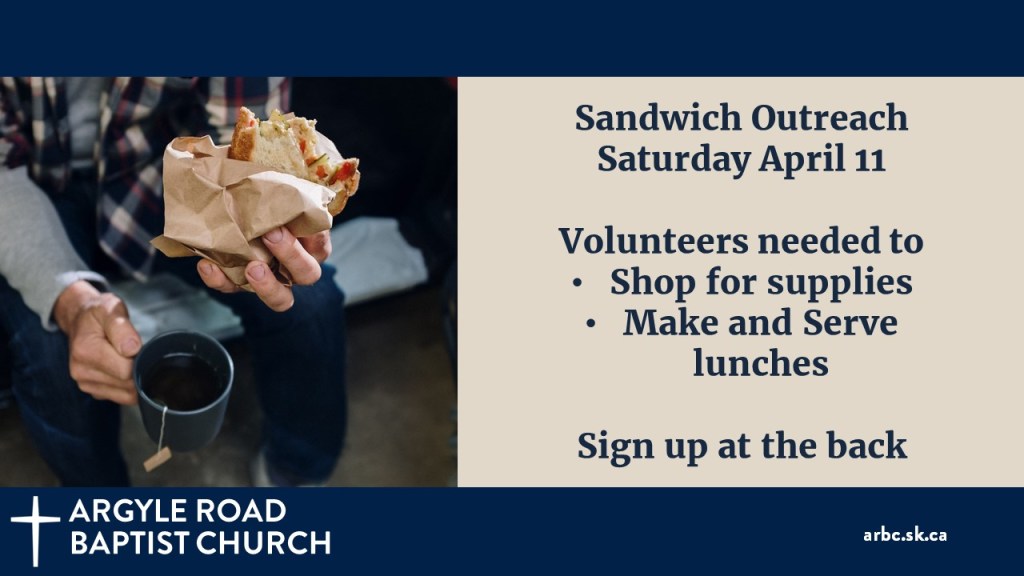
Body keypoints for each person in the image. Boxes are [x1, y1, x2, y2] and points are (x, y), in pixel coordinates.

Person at [0, 77, 347, 487]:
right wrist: (72, 300)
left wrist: (269, 212)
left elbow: (240, 138)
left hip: (157, 177)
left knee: (308, 299)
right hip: (24, 192)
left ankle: (297, 470)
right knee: (51, 352)